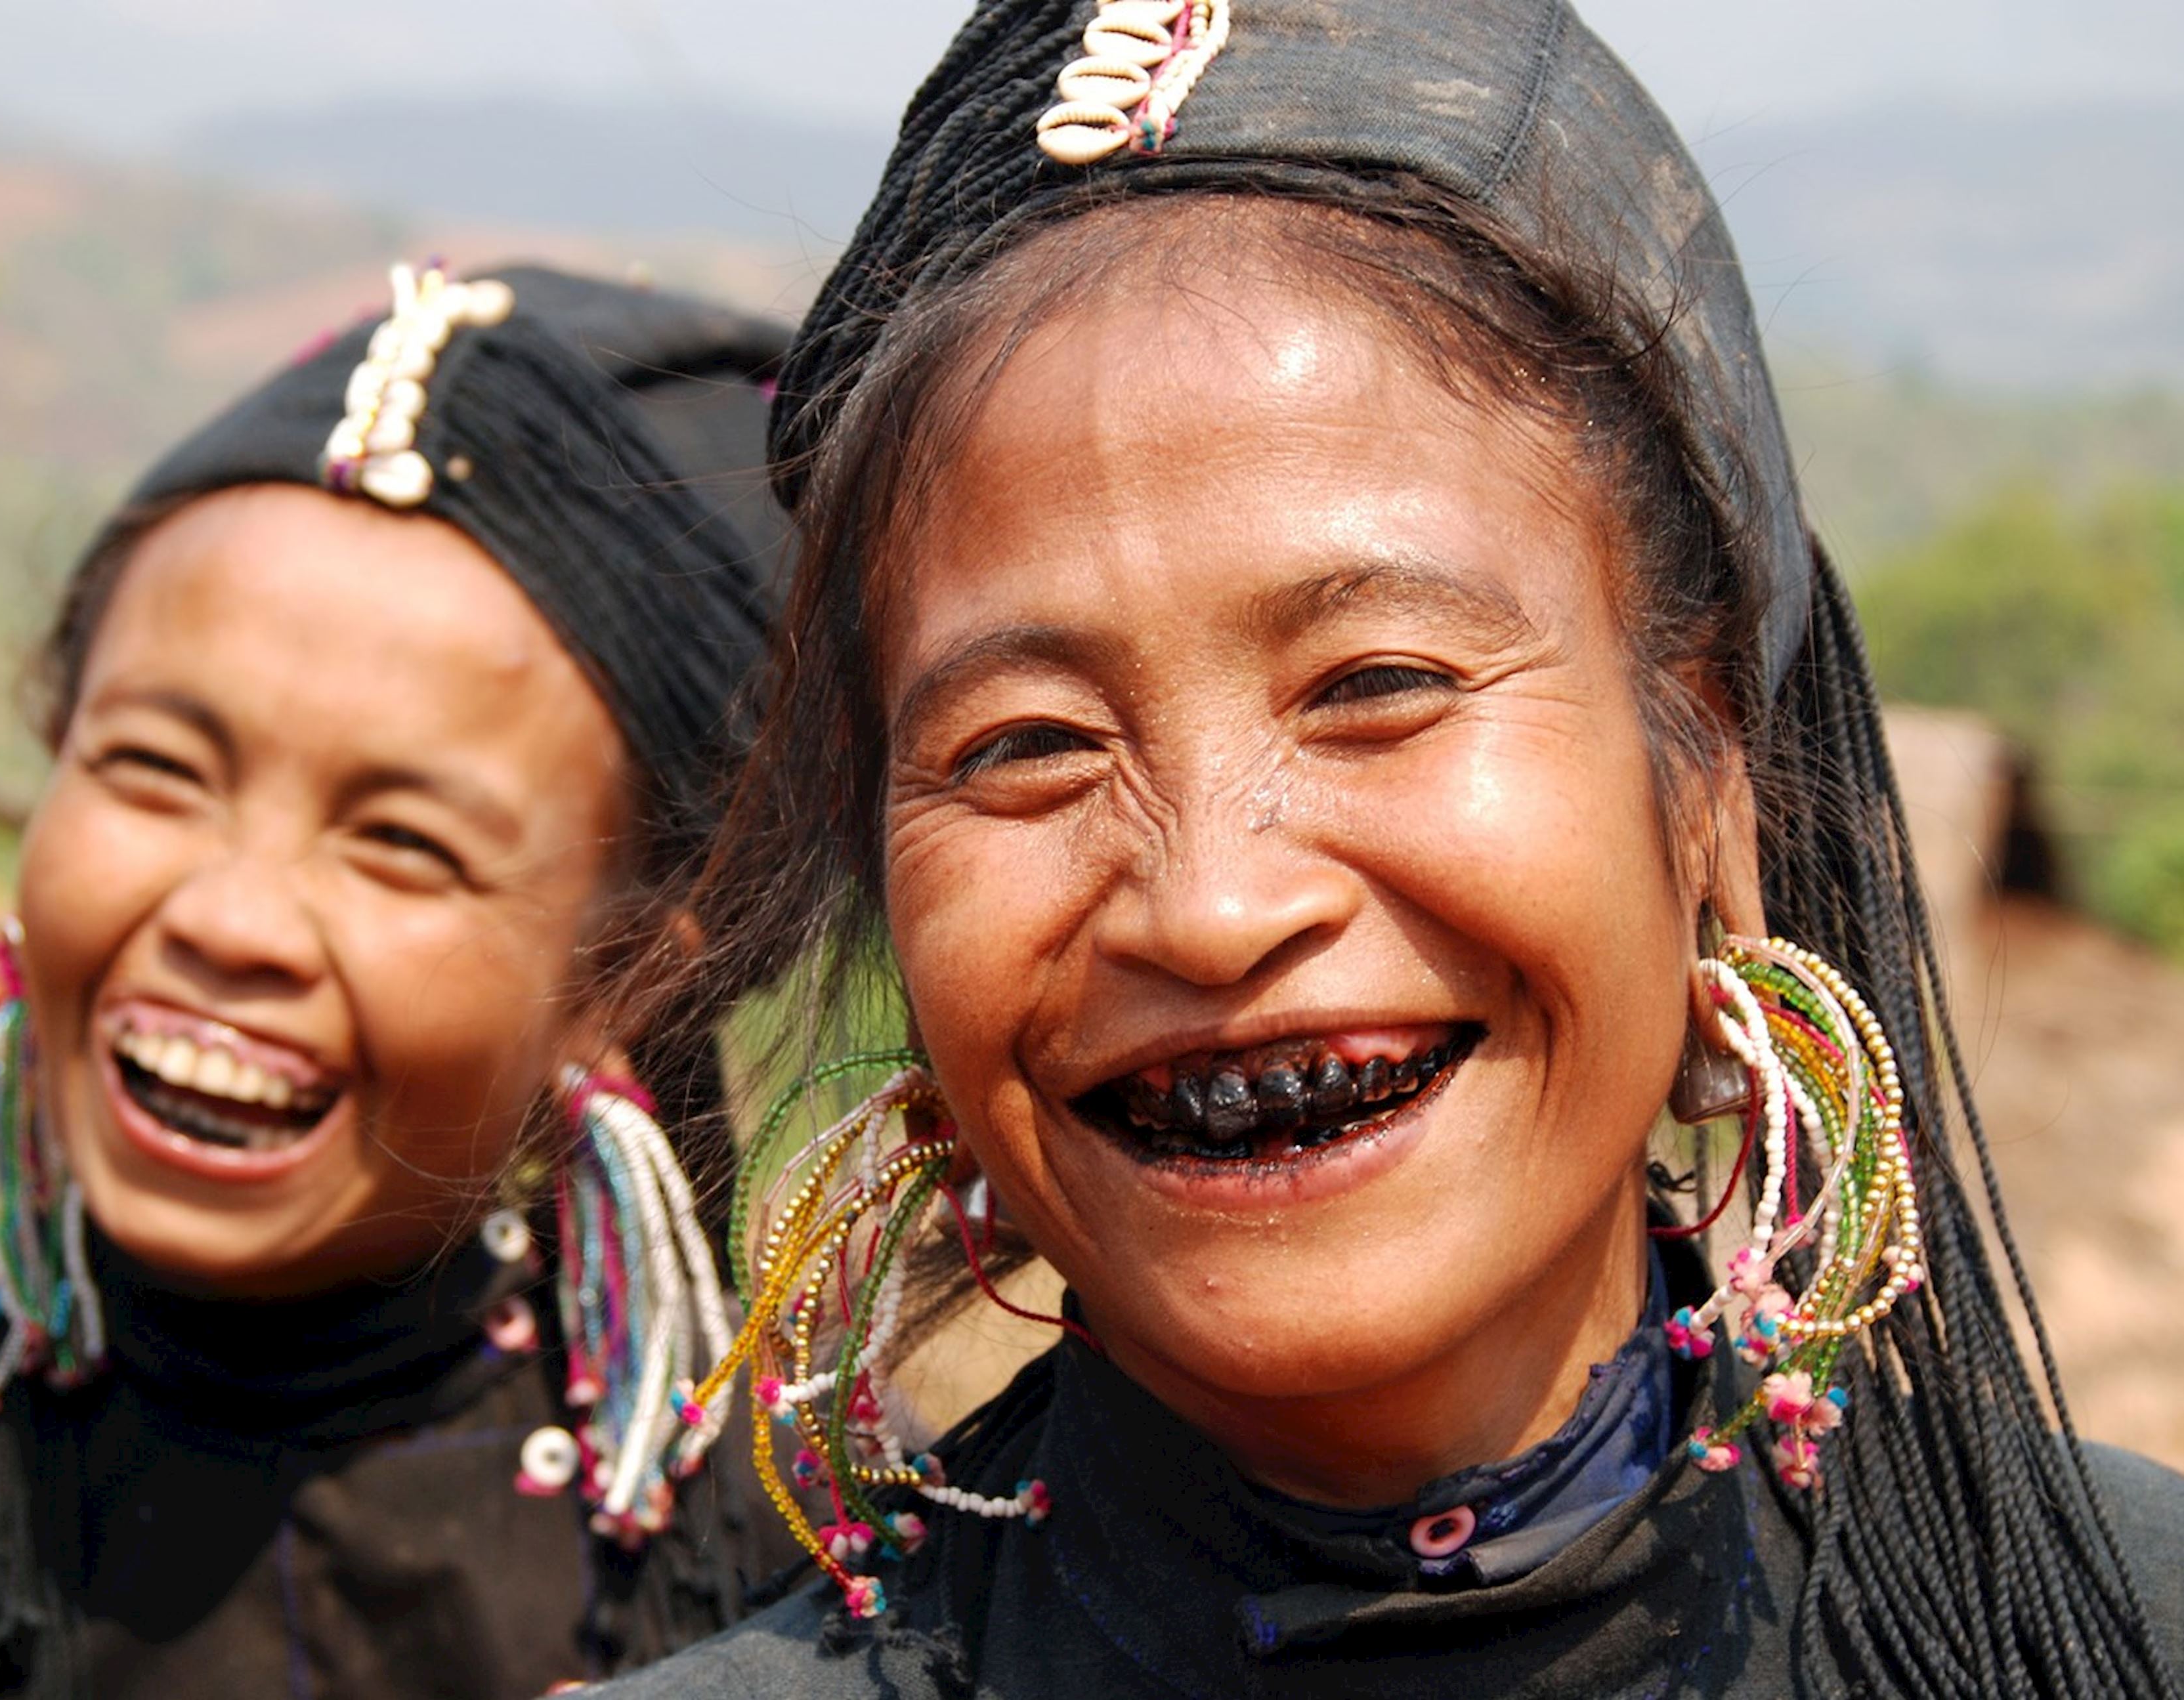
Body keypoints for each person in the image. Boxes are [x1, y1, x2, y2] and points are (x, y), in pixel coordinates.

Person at [570, 3, 2184, 1695]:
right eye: (1028, 744)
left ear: (1703, 769)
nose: (1210, 904)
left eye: (1378, 685)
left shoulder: (2103, 1636)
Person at [0, 263, 800, 1699]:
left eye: (402, 841)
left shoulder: (801, 1603)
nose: (230, 916)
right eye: (153, 770)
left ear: (624, 976)